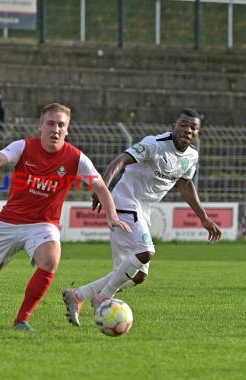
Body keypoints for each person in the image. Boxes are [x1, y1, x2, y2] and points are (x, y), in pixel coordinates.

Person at [0, 102, 130, 331]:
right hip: (8, 222)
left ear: (67, 130)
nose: (56, 129)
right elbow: (3, 155)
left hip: (43, 224)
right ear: (40, 126)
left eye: (61, 125)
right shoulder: (24, 146)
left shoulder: (75, 158)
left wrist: (111, 216)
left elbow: (101, 187)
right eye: (50, 123)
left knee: (51, 259)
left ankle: (22, 320)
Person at [62, 108, 222, 327]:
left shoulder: (191, 156)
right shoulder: (154, 144)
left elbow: (185, 184)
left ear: (197, 134)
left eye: (193, 128)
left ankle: (78, 295)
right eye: (183, 124)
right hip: (124, 202)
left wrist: (203, 217)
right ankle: (102, 298)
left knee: (137, 276)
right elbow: (120, 160)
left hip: (143, 211)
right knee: (146, 252)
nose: (188, 130)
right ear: (173, 126)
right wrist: (103, 190)